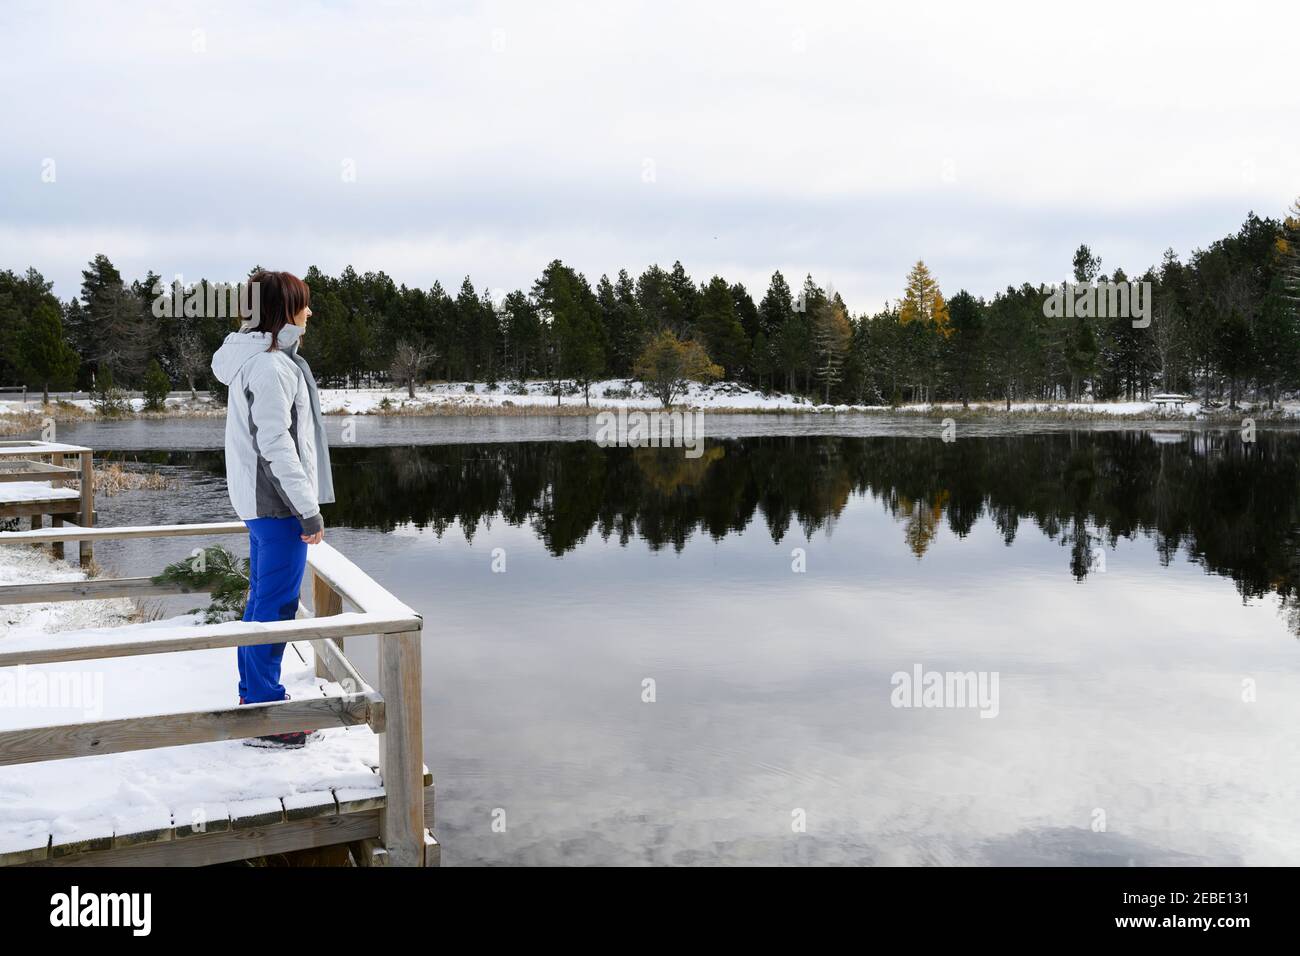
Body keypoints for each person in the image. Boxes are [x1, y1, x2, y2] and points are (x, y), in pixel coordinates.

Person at [210, 270, 334, 748]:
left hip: (261, 504)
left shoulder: (258, 360)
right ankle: (268, 715)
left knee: (263, 601)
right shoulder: (270, 366)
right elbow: (276, 445)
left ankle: (255, 700)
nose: (310, 313)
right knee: (275, 606)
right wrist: (308, 509)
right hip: (277, 506)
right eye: (303, 304)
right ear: (284, 311)